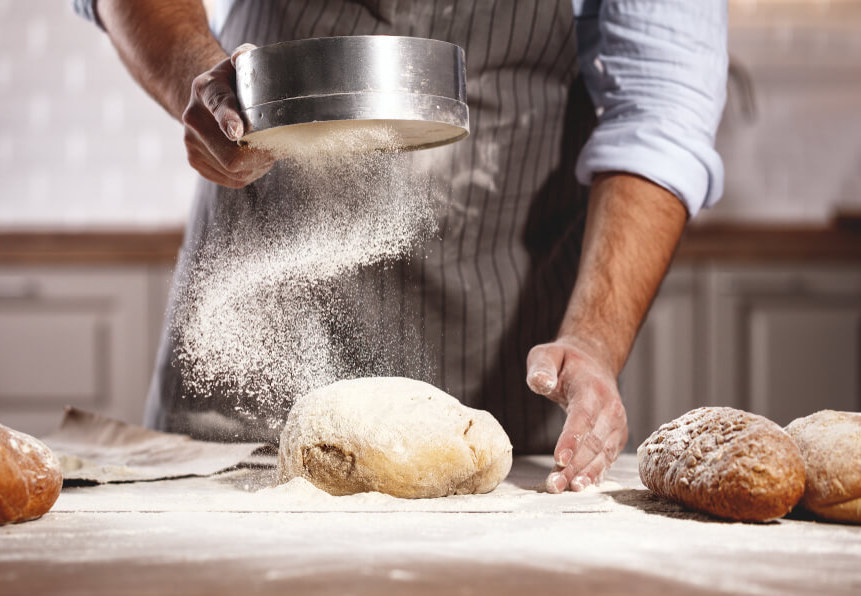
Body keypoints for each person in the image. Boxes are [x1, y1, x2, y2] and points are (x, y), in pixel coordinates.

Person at [73, 0, 727, 493]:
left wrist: (592, 340)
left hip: (497, 316)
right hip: (254, 319)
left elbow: (660, 109)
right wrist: (198, 77)